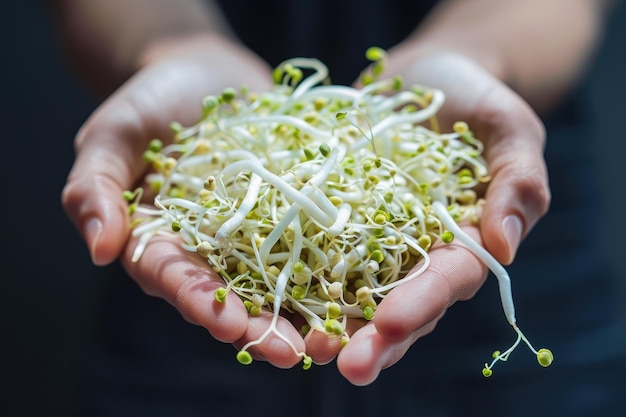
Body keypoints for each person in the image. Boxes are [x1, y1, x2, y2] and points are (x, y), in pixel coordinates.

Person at [51, 0, 626, 415]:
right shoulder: (208, 195)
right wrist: (172, 49)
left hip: (533, 290)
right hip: (174, 343)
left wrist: (478, 55)